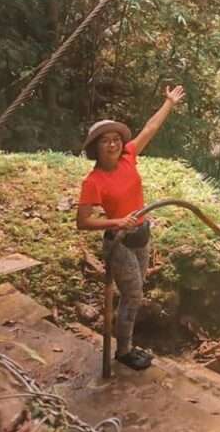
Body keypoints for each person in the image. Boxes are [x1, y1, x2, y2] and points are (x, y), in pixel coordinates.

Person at [76, 86, 185, 370]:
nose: (112, 145)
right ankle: (123, 351)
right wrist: (116, 222)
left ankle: (128, 344)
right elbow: (83, 221)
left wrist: (168, 103)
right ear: (95, 148)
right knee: (132, 295)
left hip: (142, 235)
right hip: (119, 241)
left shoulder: (128, 158)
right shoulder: (93, 181)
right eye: (105, 142)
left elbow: (150, 128)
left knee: (136, 292)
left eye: (115, 140)